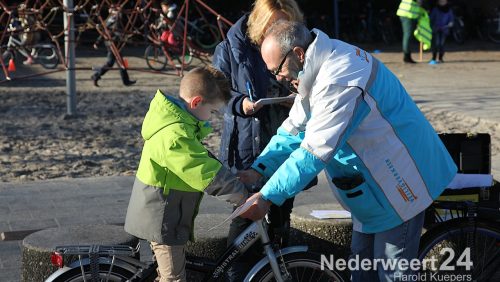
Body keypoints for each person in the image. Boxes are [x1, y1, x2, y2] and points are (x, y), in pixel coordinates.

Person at [238, 20, 457, 281]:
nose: (278, 78)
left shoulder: (340, 78)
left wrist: (267, 196)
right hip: (373, 190)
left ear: (298, 53)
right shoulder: (315, 67)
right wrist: (258, 169)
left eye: (278, 70)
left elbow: (314, 151)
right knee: (362, 272)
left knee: (392, 273)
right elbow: (295, 129)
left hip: (400, 184)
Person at [211, 0, 312, 280]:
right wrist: (240, 103)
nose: (277, 30)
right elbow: (216, 93)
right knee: (244, 218)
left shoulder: (298, 44)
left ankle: (277, 273)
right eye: (272, 25)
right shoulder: (231, 48)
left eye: (283, 25)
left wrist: (295, 98)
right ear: (258, 23)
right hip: (247, 142)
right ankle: (236, 275)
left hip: (285, 135)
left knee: (281, 217)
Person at [124, 66, 249, 282]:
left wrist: (231, 177)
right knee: (174, 278)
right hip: (162, 218)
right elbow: (200, 169)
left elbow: (201, 157)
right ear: (197, 102)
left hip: (167, 214)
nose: (211, 118)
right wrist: (240, 195)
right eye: (212, 112)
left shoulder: (179, 124)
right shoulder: (175, 134)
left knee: (168, 272)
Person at [91, 5, 136, 87]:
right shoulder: (112, 20)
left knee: (120, 62)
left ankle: (126, 81)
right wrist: (97, 42)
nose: (118, 12)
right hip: (112, 43)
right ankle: (96, 76)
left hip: (115, 43)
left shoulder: (114, 19)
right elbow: (108, 32)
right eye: (116, 10)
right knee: (110, 63)